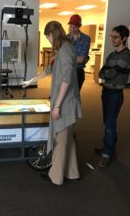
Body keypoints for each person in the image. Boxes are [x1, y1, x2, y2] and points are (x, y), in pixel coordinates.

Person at [21, 21, 82, 185]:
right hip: (64, 101)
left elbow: (66, 79)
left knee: (60, 140)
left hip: (65, 103)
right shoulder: (63, 49)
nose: (48, 41)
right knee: (67, 139)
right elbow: (49, 70)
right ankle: (72, 172)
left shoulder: (65, 51)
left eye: (48, 37)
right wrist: (30, 81)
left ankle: (55, 177)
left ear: (51, 35)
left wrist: (57, 105)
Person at [97, 25, 130, 167]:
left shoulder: (127, 54)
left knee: (110, 124)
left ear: (124, 38)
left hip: (116, 94)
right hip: (106, 91)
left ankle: (106, 153)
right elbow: (101, 73)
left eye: (115, 37)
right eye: (111, 36)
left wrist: (107, 73)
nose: (112, 39)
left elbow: (111, 74)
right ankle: (109, 146)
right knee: (107, 122)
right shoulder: (112, 55)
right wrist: (107, 73)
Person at [67, 14, 91, 91]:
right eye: (71, 26)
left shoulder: (86, 39)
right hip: (66, 71)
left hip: (78, 72)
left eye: (75, 27)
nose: (72, 29)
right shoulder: (65, 38)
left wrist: (67, 58)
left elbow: (81, 59)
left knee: (74, 96)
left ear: (79, 26)